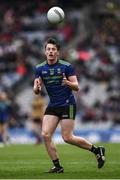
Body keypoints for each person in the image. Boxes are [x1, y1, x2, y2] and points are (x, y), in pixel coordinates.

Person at [33, 37, 105, 173]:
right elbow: (36, 91)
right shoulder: (39, 68)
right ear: (45, 52)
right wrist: (37, 87)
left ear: (58, 52)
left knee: (67, 137)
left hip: (67, 104)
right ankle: (57, 166)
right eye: (48, 49)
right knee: (45, 134)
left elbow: (77, 87)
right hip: (53, 105)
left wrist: (68, 83)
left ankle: (97, 150)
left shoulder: (66, 67)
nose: (51, 52)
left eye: (53, 49)